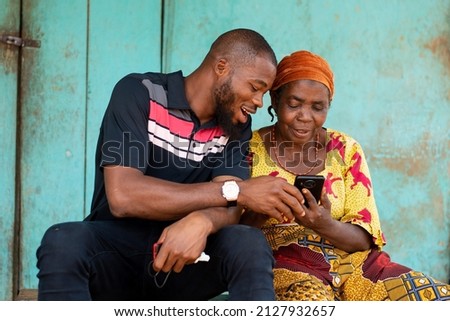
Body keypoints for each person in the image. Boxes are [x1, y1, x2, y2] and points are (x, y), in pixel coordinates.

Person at [36, 29, 307, 301]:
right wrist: (238, 192)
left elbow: (229, 208)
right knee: (63, 241)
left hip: (186, 258)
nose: (259, 102)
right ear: (222, 67)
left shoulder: (235, 125)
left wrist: (201, 221)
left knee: (248, 243)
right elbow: (123, 196)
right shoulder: (140, 93)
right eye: (255, 87)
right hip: (116, 257)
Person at [241, 50, 450, 301]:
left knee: (436, 298)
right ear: (274, 99)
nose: (305, 117)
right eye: (294, 104)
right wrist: (262, 210)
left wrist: (323, 224)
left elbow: (364, 239)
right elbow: (231, 235)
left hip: (359, 270)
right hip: (289, 268)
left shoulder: (345, 149)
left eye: (318, 107)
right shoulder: (247, 150)